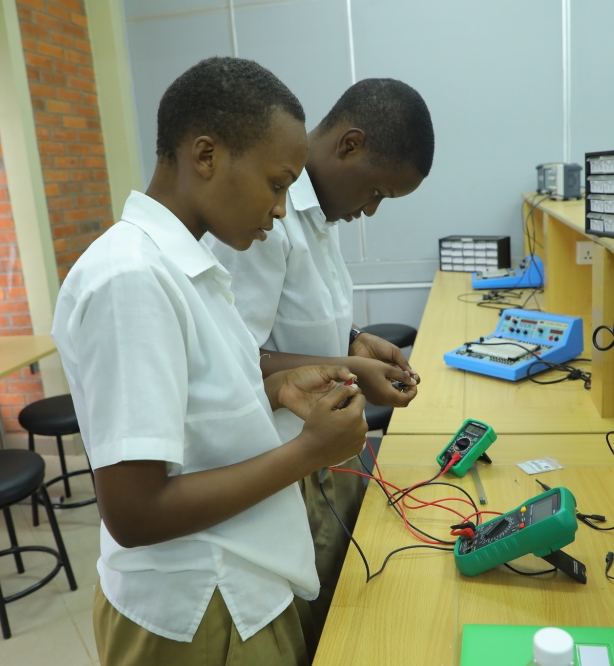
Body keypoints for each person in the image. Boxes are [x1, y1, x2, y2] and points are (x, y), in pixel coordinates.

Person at [50, 57, 368, 666]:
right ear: (205, 156)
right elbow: (136, 511)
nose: (281, 210)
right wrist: (309, 452)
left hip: (237, 579)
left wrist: (277, 389)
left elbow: (195, 403)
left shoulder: (187, 262)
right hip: (199, 602)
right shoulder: (131, 278)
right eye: (276, 183)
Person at [207, 78, 435, 631]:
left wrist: (354, 337)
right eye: (377, 192)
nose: (373, 210)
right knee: (324, 617)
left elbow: (295, 316)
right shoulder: (265, 220)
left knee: (347, 590)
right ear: (349, 144)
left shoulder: (325, 211)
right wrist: (352, 368)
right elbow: (233, 361)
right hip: (283, 453)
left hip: (324, 445)